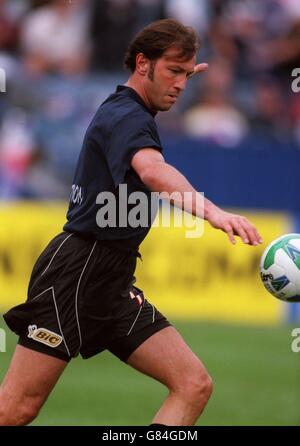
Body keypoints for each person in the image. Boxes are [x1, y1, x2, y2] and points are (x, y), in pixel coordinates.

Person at [0, 19, 263, 426]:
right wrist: (214, 213)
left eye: (187, 74)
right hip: (77, 273)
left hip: (112, 280)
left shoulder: (131, 113)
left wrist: (183, 66)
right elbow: (154, 171)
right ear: (143, 64)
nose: (180, 85)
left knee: (193, 384)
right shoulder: (127, 116)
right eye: (173, 71)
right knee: (14, 410)